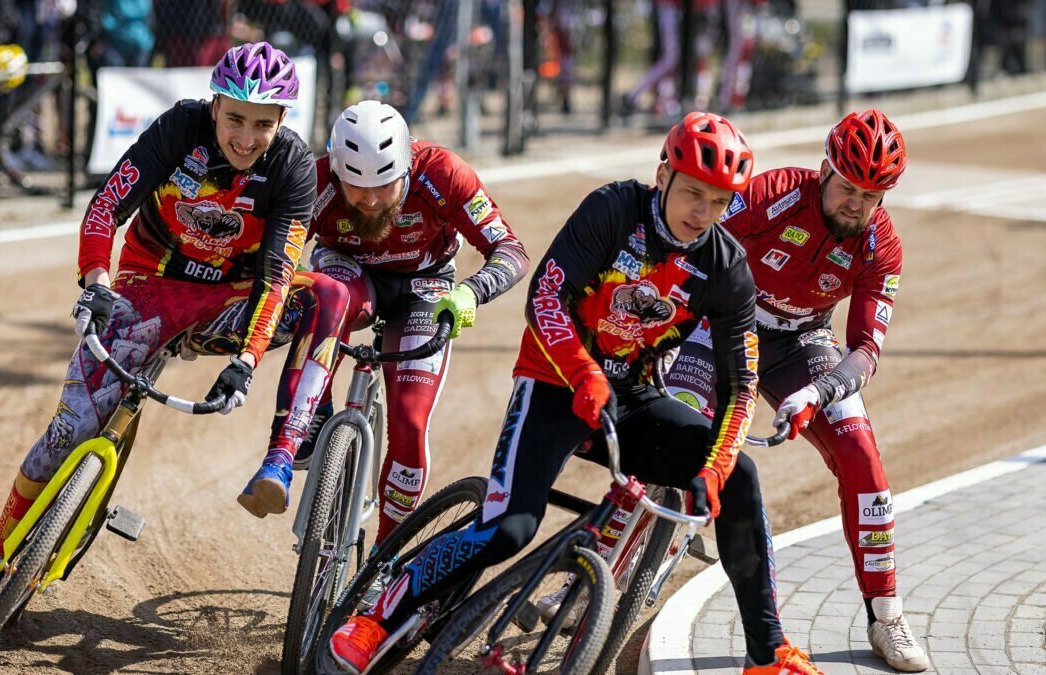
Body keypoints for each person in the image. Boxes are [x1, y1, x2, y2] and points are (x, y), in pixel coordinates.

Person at [329, 112, 824, 675]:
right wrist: (584, 372)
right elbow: (545, 299)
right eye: (692, 194)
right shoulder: (613, 209)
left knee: (739, 478)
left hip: (628, 398)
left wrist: (715, 465)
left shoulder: (726, 267)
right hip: (552, 380)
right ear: (662, 176)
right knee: (509, 527)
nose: (702, 214)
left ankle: (768, 654)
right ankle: (375, 619)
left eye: (717, 202)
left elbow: (742, 386)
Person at [0, 41, 315, 606]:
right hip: (146, 283)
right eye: (235, 117)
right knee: (67, 432)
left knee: (323, 296)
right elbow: (104, 208)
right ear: (214, 107)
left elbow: (278, 276)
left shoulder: (293, 167)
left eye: (262, 123)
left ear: (282, 121)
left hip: (231, 302)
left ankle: (301, 427)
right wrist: (97, 282)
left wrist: (248, 360)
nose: (244, 136)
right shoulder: (176, 128)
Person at [663, 109, 929, 672]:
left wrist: (821, 392)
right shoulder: (774, 194)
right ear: (825, 168)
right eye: (848, 187)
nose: (856, 204)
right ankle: (607, 565)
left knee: (862, 458)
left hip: (803, 342)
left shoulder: (881, 246)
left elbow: (865, 350)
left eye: (873, 194)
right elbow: (692, 244)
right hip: (723, 321)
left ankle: (886, 615)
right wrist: (668, 326)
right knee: (675, 426)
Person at [237, 100, 530, 548]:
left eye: (384, 186)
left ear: (408, 169)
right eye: (356, 186)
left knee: (410, 421)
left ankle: (385, 557)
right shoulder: (316, 180)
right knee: (325, 295)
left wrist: (472, 290)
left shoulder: (444, 173)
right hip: (350, 274)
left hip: (425, 286)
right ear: (335, 170)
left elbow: (510, 249)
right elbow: (262, 254)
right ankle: (294, 437)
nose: (371, 201)